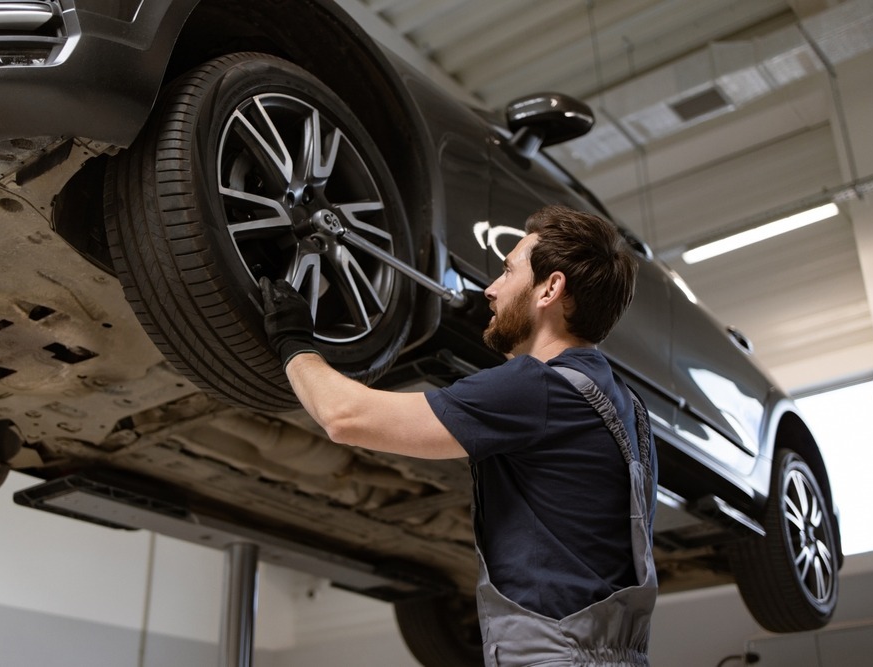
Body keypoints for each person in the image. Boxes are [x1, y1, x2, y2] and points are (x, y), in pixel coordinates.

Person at [260, 204, 658, 666]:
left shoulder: (539, 387)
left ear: (550, 288)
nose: (490, 288)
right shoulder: (626, 405)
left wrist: (294, 342)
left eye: (508, 272)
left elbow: (345, 417)